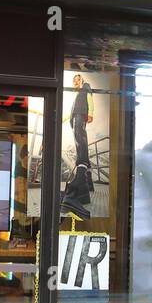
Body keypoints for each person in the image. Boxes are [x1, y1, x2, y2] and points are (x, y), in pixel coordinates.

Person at [60, 71, 95, 220]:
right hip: (76, 116)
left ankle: (82, 168)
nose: (75, 81)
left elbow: (90, 99)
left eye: (77, 79)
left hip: (81, 115)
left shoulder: (85, 87)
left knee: (81, 138)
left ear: (82, 80)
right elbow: (72, 110)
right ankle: (86, 180)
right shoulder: (76, 94)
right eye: (74, 80)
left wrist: (91, 112)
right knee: (78, 139)